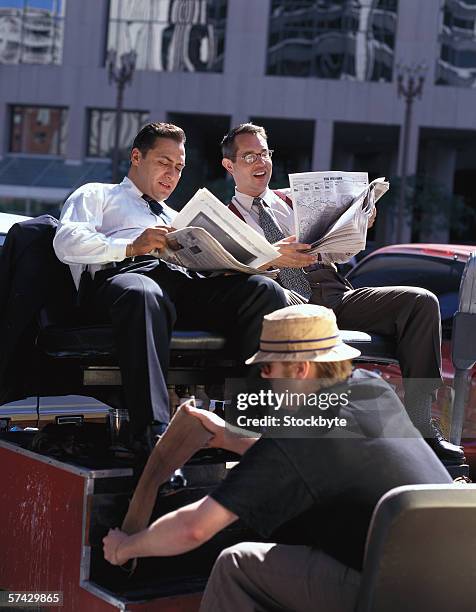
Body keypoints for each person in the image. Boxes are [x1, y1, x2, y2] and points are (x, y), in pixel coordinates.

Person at [103, 304, 452, 611]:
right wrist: (229, 436)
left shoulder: (299, 430)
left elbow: (194, 528)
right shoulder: (372, 390)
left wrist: (126, 547)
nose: (265, 378)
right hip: (454, 578)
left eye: (268, 369)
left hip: (393, 593)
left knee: (236, 565)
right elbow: (311, 462)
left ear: (300, 370)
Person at [219, 122, 464, 462]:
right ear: (229, 166)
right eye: (249, 156)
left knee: (421, 301)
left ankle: (421, 422)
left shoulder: (295, 202)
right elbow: (228, 272)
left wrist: (357, 225)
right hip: (283, 303)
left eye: (264, 153)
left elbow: (337, 252)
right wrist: (274, 255)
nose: (261, 162)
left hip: (332, 293)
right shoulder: (224, 219)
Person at [53, 122, 287, 448]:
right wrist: (132, 245)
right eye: (164, 163)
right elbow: (67, 243)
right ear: (137, 157)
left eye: (179, 167)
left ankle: (251, 433)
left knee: (263, 290)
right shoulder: (97, 194)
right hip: (121, 280)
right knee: (144, 292)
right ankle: (154, 435)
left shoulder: (176, 216)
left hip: (178, 284)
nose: (172, 174)